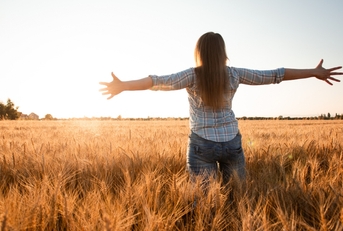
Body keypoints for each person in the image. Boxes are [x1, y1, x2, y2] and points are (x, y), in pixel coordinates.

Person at [99, 32, 342, 185]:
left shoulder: (192, 75)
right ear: (222, 52)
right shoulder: (235, 74)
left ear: (200, 53)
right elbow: (274, 75)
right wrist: (312, 72)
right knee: (238, 196)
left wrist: (123, 86)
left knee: (205, 205)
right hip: (232, 143)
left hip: (202, 144)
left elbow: (157, 81)